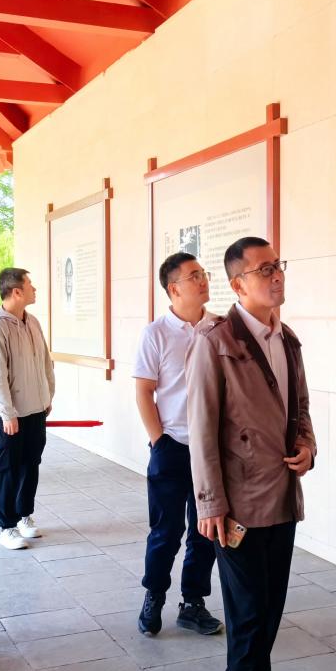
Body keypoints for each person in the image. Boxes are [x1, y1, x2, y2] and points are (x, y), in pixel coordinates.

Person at [186, 237, 316, 671]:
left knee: (269, 613)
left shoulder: (288, 339)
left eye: (278, 265)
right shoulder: (215, 341)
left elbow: (299, 407)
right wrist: (209, 503)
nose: (276, 275)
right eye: (264, 270)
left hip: (282, 496)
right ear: (238, 285)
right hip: (236, 505)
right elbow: (201, 429)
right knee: (248, 616)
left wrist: (307, 446)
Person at [132, 253, 221, 638]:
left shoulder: (219, 327)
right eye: (193, 276)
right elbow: (144, 391)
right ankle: (154, 596)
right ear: (173, 288)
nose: (203, 280)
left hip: (212, 451)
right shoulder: (156, 333)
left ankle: (193, 603)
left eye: (203, 274)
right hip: (172, 447)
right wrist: (160, 441)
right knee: (165, 532)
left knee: (206, 530)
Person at [0, 268, 54, 550]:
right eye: (30, 284)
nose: (34, 288)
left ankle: (24, 515)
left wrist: (47, 395)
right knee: (6, 468)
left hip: (35, 409)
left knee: (30, 463)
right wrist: (6, 412)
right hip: (9, 415)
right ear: (16, 292)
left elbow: (45, 361)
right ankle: (7, 526)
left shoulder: (32, 321)